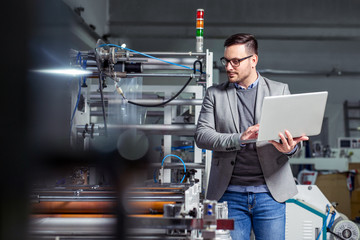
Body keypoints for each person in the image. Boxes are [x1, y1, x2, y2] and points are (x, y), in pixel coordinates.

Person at [194, 33, 309, 240]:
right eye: (226, 61)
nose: (228, 67)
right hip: (228, 196)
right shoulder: (214, 94)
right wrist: (239, 139)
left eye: (235, 61)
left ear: (253, 60)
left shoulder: (279, 91)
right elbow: (202, 136)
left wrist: (289, 148)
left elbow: (294, 142)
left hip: (270, 195)